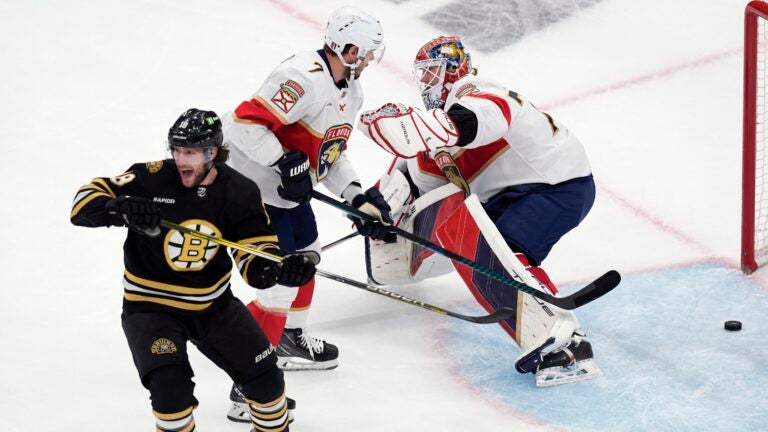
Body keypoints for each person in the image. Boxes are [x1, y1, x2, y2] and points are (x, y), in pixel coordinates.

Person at [358, 36, 599, 386]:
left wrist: (428, 130)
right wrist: (373, 208)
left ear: (454, 70)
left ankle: (568, 342)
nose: (425, 83)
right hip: (515, 193)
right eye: (421, 76)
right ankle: (554, 327)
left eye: (432, 73)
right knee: (481, 250)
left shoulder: (475, 91)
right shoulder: (435, 131)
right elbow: (408, 179)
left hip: (559, 184)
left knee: (498, 255)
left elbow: (478, 118)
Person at [70, 108, 318, 431]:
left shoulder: (240, 192)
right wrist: (120, 208)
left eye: (190, 152)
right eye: (176, 149)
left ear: (212, 152)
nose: (181, 159)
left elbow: (255, 255)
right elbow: (81, 204)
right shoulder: (151, 176)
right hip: (150, 309)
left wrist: (278, 271)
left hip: (213, 306)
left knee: (268, 385)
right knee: (171, 395)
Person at [222, 5, 389, 376]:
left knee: (307, 258)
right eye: (369, 52)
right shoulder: (301, 77)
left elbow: (329, 152)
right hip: (249, 187)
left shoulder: (352, 90)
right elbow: (243, 126)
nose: (372, 59)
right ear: (349, 50)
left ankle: (290, 338)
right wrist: (282, 160)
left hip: (283, 193)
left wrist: (356, 197)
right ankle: (252, 367)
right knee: (281, 279)